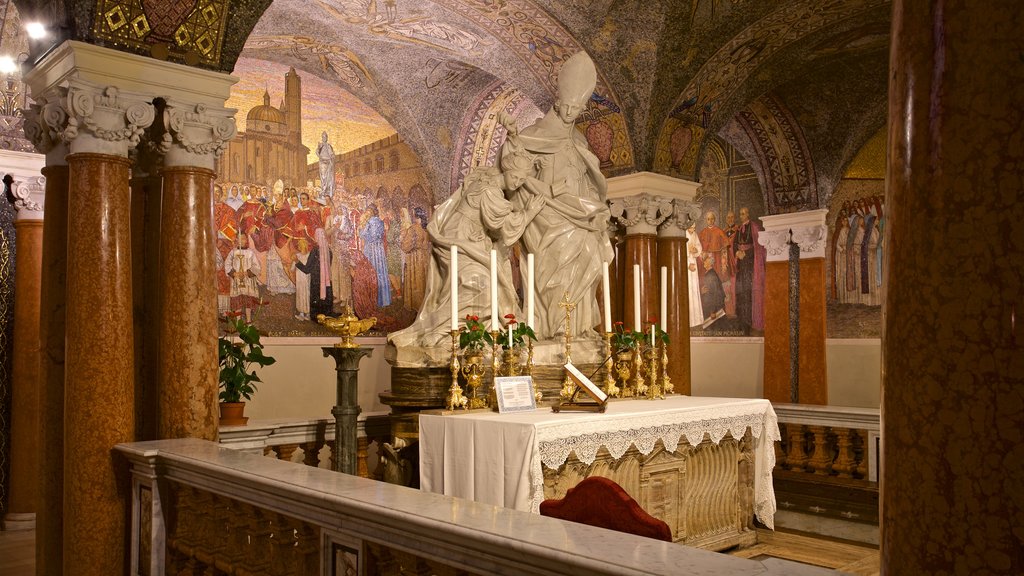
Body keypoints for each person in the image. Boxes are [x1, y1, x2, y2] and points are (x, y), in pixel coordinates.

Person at [498, 50, 613, 340]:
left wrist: (593, 207)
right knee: (556, 268)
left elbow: (589, 178)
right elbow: (515, 165)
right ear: (558, 104)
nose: (571, 113)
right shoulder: (535, 133)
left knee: (589, 252)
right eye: (567, 106)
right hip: (549, 213)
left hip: (577, 211)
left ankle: (580, 326)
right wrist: (512, 136)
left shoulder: (579, 139)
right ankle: (557, 327)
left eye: (577, 108)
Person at [388, 166, 545, 348]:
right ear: (507, 169)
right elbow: (504, 226)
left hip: (465, 238)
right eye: (516, 176)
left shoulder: (484, 182)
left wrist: (484, 234)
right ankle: (440, 331)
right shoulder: (491, 190)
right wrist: (529, 212)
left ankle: (459, 332)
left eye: (521, 181)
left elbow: (491, 227)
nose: (517, 183)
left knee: (482, 287)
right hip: (460, 240)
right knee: (481, 287)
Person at [732, 207, 766, 334]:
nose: (742, 216)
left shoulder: (754, 227)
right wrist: (737, 252)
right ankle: (741, 319)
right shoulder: (739, 229)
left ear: (748, 214)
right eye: (740, 214)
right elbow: (735, 244)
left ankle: (749, 320)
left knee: (748, 292)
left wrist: (745, 253)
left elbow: (758, 246)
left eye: (744, 214)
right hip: (740, 263)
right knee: (740, 291)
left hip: (751, 264)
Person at [698, 210, 731, 318]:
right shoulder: (702, 232)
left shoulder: (718, 230)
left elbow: (727, 242)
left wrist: (722, 253)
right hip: (706, 259)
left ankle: (718, 309)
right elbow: (698, 246)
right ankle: (708, 311)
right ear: (706, 220)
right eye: (708, 219)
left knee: (716, 282)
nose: (710, 221)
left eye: (712, 218)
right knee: (707, 283)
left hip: (716, 259)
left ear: (714, 219)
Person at [295, 228, 334, 318]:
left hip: (316, 280)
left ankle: (316, 316)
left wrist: (297, 262)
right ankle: (326, 314)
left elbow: (307, 269)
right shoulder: (329, 250)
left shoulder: (315, 250)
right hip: (327, 281)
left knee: (316, 297)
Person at [225, 234, 261, 322]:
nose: (242, 240)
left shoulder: (250, 253)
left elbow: (257, 266)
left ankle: (248, 321)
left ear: (246, 240)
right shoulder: (233, 252)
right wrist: (234, 274)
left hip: (248, 280)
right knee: (238, 301)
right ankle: (238, 321)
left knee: (248, 300)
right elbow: (227, 264)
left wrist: (246, 273)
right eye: (239, 239)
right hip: (237, 280)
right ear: (237, 240)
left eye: (244, 238)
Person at [361, 204, 392, 308]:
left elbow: (365, 235)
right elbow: (380, 235)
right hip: (379, 249)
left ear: (371, 212)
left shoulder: (370, 222)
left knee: (372, 271)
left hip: (371, 249)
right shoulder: (380, 221)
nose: (367, 213)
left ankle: (372, 299)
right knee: (380, 271)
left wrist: (361, 231)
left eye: (368, 211)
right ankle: (383, 299)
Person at [400, 207, 430, 312]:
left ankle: (416, 305)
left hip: (415, 258)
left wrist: (402, 239)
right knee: (424, 278)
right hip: (425, 257)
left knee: (415, 279)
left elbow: (406, 246)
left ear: (415, 216)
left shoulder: (413, 229)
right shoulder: (426, 229)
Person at [686, 222, 705, 327]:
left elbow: (699, 247)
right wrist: (688, 265)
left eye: (694, 228)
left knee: (694, 290)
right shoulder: (683, 234)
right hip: (686, 265)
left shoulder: (695, 235)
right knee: (688, 290)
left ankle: (696, 320)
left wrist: (696, 250)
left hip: (694, 264)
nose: (693, 230)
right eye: (691, 228)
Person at [317, 131, 336, 198]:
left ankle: (327, 191)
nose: (324, 138)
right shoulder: (320, 145)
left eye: (325, 137)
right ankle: (323, 190)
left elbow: (331, 154)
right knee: (323, 177)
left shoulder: (328, 146)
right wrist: (320, 154)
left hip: (328, 163)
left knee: (328, 178)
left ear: (327, 138)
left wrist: (333, 156)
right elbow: (317, 152)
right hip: (322, 163)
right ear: (322, 138)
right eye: (323, 137)